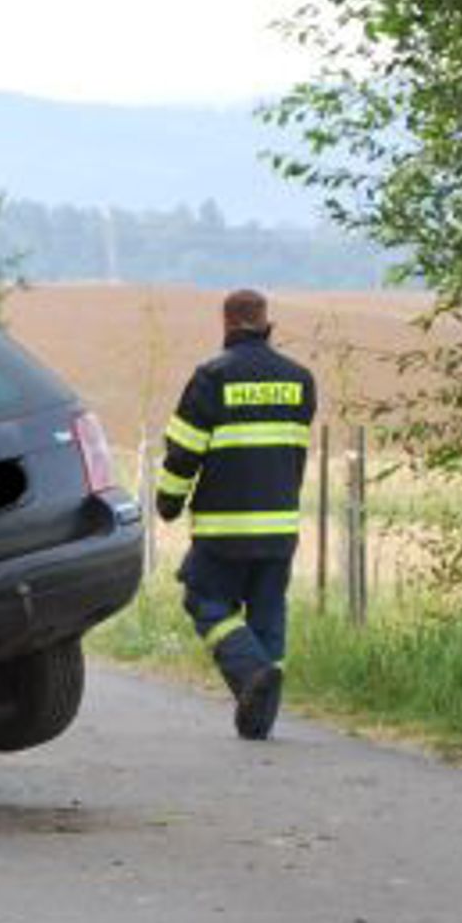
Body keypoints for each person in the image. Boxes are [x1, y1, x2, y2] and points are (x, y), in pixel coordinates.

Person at [155, 288, 317, 739]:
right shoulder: (300, 381)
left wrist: (169, 501)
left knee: (203, 599)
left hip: (223, 530)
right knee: (267, 617)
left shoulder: (212, 377)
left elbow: (183, 451)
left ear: (226, 323)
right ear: (266, 322)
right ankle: (258, 720)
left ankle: (250, 674)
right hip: (280, 527)